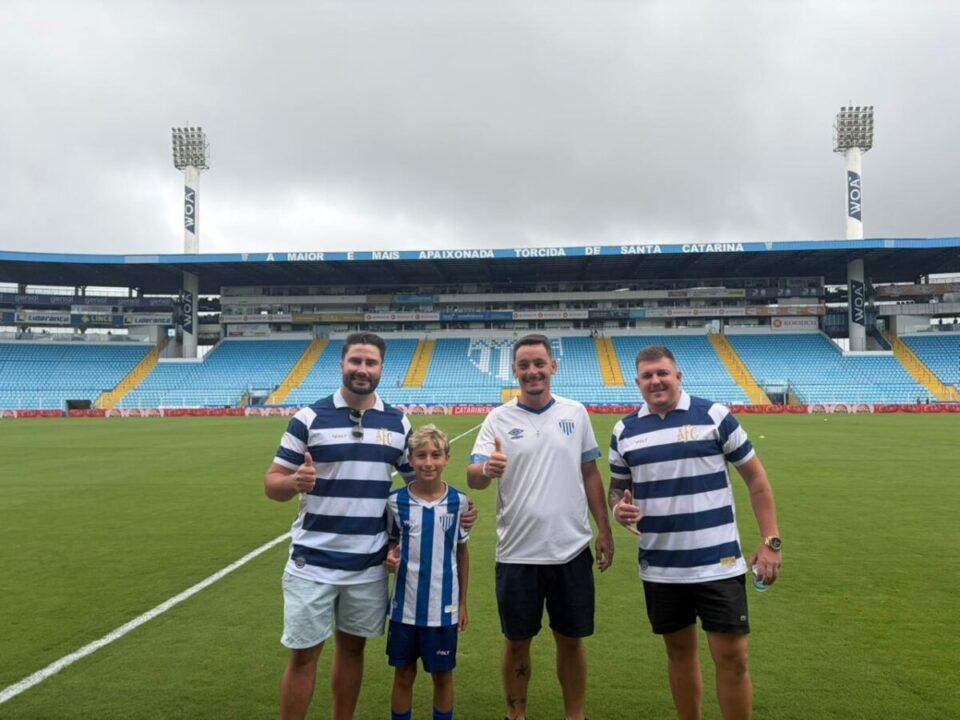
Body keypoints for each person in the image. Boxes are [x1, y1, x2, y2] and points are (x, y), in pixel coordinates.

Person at [263, 332, 476, 720]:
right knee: (303, 656)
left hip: (368, 565)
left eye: (370, 363)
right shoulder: (308, 418)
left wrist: (459, 508)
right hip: (313, 561)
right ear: (342, 364)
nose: (362, 370)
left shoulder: (397, 423)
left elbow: (421, 484)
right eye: (355, 361)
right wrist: (293, 483)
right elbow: (272, 482)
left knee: (352, 651)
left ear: (381, 368)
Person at [608, 345, 782, 720]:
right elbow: (616, 489)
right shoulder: (624, 431)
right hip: (661, 567)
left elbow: (757, 481)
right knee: (679, 656)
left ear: (678, 376)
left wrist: (771, 542)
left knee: (733, 658)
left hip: (718, 563)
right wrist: (617, 509)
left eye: (662, 373)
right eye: (647, 376)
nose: (655, 381)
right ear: (637, 382)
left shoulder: (715, 417)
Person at [467, 333, 613, 720]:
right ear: (515, 371)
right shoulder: (497, 418)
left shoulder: (575, 413)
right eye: (524, 365)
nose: (532, 372)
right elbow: (473, 476)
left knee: (571, 640)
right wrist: (486, 470)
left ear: (553, 366)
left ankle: (575, 714)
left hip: (570, 549)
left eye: (539, 363)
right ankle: (516, 715)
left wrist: (605, 530)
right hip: (518, 552)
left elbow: (590, 472)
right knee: (517, 642)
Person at [384, 425, 470, 720]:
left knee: (442, 677)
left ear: (447, 458)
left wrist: (462, 603)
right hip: (404, 608)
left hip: (442, 609)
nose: (428, 462)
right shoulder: (396, 502)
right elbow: (392, 543)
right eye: (421, 455)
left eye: (435, 455)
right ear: (410, 458)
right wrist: (389, 557)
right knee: (403, 675)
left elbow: (461, 551)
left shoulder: (459, 502)